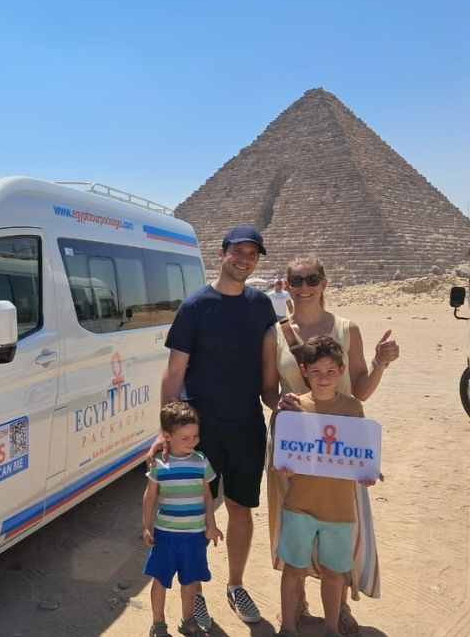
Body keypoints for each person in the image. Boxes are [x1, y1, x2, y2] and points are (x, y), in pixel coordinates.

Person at [262, 256, 400, 634]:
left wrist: (380, 362)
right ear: (286, 285)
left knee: (339, 528)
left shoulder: (346, 328)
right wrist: (280, 403)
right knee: (294, 526)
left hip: (339, 448)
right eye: (296, 280)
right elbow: (268, 391)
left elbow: (360, 390)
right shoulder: (274, 335)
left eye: (312, 279)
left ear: (324, 282)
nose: (304, 287)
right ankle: (298, 602)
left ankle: (338, 607)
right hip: (294, 445)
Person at [159, 225, 277, 626]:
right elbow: (174, 373)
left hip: (246, 426)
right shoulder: (195, 306)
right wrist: (165, 432)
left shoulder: (261, 305)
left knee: (241, 509)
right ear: (221, 253)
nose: (244, 259)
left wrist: (285, 403)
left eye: (252, 254)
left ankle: (236, 585)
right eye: (237, 251)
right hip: (200, 431)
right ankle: (195, 593)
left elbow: (269, 371)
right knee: (194, 514)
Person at [273, 335, 380, 637]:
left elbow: (360, 454)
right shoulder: (294, 407)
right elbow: (283, 452)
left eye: (330, 371)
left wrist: (367, 472)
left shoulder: (353, 408)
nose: (323, 378)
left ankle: (331, 628)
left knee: (334, 573)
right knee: (293, 569)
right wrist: (283, 465)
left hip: (339, 509)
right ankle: (288, 627)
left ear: (342, 371)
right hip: (299, 504)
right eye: (316, 371)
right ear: (304, 371)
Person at [143, 402, 223, 637]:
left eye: (195, 436)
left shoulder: (201, 461)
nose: (192, 442)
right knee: (160, 580)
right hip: (165, 536)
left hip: (195, 536)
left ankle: (188, 621)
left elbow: (208, 496)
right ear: (167, 436)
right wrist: (146, 527)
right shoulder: (159, 464)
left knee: (190, 582)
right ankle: (158, 624)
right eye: (185, 438)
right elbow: (149, 497)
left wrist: (211, 525)